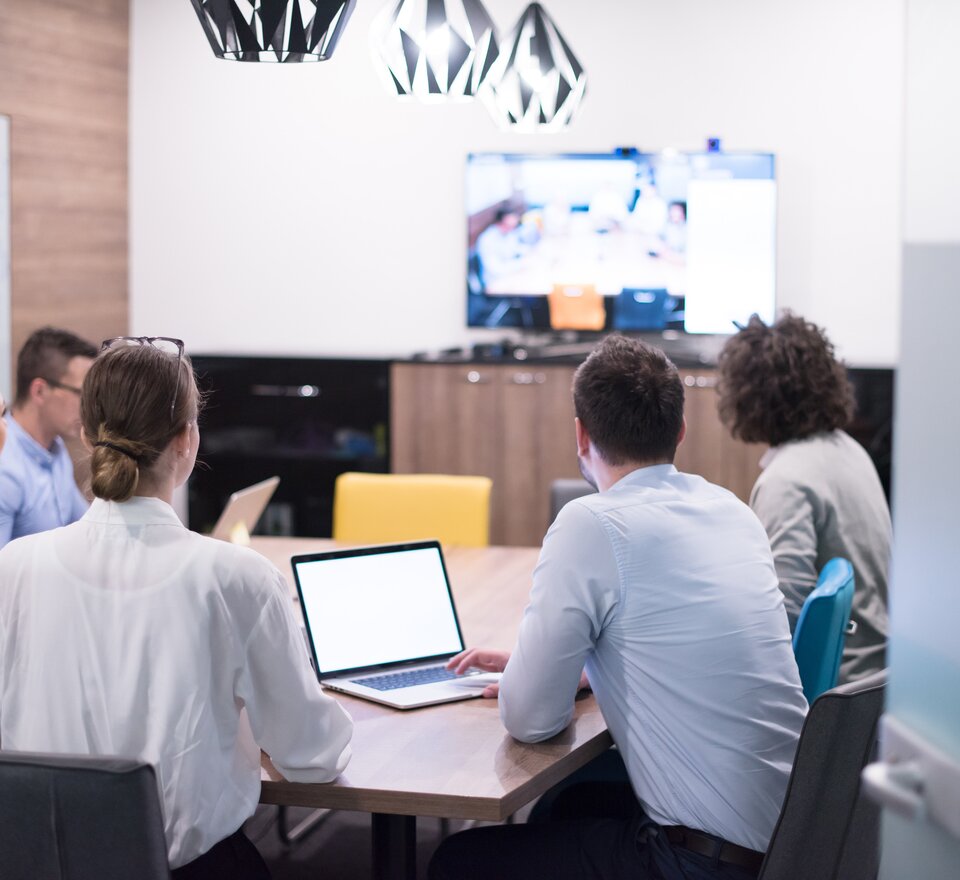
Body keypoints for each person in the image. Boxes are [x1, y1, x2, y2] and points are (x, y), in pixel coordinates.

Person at [429, 335, 807, 880]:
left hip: (700, 863)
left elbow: (530, 720)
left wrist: (541, 678)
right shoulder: (732, 510)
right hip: (794, 841)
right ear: (680, 429)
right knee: (565, 809)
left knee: (455, 862)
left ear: (581, 435)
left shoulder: (592, 522)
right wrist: (583, 671)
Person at [0, 337, 353, 878]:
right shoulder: (239, 578)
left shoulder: (14, 568)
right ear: (188, 440)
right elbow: (311, 758)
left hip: (38, 862)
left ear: (88, 435)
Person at [716, 313, 892, 682]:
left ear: (748, 397)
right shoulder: (849, 449)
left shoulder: (787, 479)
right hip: (877, 675)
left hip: (837, 687)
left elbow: (782, 616)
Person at [0, 326, 97, 548]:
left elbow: (85, 528)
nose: (88, 407)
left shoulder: (55, 449)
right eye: (82, 394)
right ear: (40, 391)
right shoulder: (5, 470)